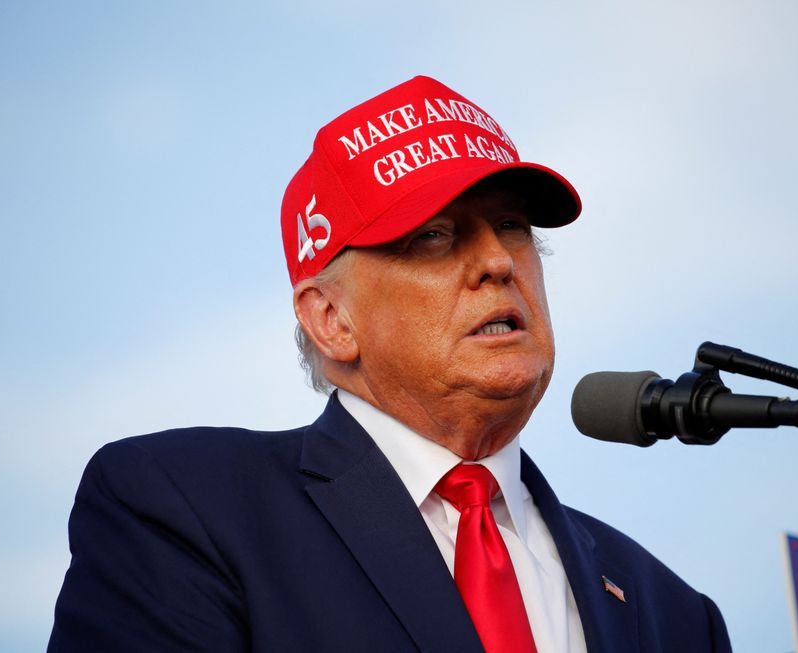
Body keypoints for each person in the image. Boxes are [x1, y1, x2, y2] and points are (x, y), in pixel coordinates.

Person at [48, 75, 732, 652]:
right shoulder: (183, 507)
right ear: (331, 319)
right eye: (435, 235)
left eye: (514, 226)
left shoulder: (671, 612)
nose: (498, 261)